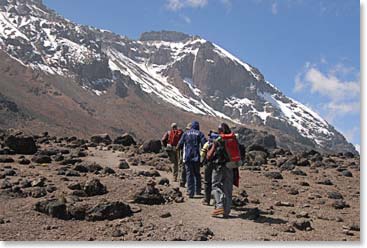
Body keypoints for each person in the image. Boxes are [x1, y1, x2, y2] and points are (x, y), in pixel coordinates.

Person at [211, 123, 240, 218]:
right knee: (228, 189)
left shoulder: (219, 140)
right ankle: (226, 211)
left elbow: (210, 154)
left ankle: (219, 206)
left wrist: (213, 146)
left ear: (221, 131)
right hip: (231, 166)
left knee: (215, 186)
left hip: (219, 166)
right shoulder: (234, 139)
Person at [177, 121, 207, 198]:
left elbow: (180, 144)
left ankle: (190, 192)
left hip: (187, 156)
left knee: (189, 174)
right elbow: (205, 144)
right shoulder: (200, 133)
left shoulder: (186, 133)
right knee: (197, 174)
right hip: (196, 157)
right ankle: (198, 190)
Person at [200, 130, 220, 205]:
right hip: (217, 164)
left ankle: (206, 200)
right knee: (216, 182)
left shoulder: (208, 143)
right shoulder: (219, 143)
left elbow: (202, 153)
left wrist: (201, 161)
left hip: (208, 164)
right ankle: (216, 200)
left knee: (207, 182)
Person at [178, 122, 192, 187]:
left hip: (185, 154)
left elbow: (180, 144)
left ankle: (182, 181)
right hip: (194, 156)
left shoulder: (185, 134)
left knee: (184, 168)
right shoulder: (197, 135)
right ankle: (191, 185)